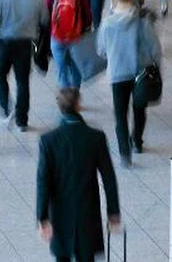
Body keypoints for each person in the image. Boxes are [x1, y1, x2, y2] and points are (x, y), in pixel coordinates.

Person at [37, 87, 122, 260]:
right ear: (78, 105)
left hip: (60, 214)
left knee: (62, 256)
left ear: (60, 107)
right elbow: (108, 178)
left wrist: (42, 217)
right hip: (87, 212)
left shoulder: (49, 140)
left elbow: (43, 181)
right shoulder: (95, 137)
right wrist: (113, 212)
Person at [97, 0, 162, 167]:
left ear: (114, 3)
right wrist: (155, 67)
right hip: (140, 73)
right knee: (139, 109)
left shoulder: (108, 24)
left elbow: (101, 50)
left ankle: (124, 152)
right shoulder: (142, 23)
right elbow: (155, 49)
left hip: (118, 74)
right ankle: (137, 142)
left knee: (120, 114)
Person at [0, 0, 47, 132]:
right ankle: (22, 120)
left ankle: (6, 108)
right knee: (22, 82)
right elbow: (44, 21)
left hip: (2, 44)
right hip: (24, 44)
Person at [46, 0, 91, 90]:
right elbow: (87, 16)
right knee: (76, 69)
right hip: (76, 37)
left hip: (57, 36)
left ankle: (65, 99)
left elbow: (47, 11)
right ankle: (74, 96)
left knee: (61, 71)